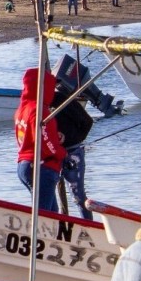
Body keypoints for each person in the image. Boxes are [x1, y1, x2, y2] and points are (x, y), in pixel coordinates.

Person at [15, 67, 65, 213]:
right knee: (44, 216)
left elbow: (25, 137)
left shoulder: (23, 108)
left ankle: (48, 235)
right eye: (51, 86)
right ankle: (35, 236)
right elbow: (47, 144)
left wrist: (56, 136)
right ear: (43, 87)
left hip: (24, 164)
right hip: (41, 167)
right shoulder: (39, 110)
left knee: (52, 215)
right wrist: (62, 154)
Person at [52, 85, 94, 220]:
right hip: (51, 153)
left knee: (78, 195)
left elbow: (88, 121)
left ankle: (88, 225)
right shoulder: (38, 105)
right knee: (49, 192)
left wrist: (73, 140)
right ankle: (56, 223)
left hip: (72, 151)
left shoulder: (62, 100)